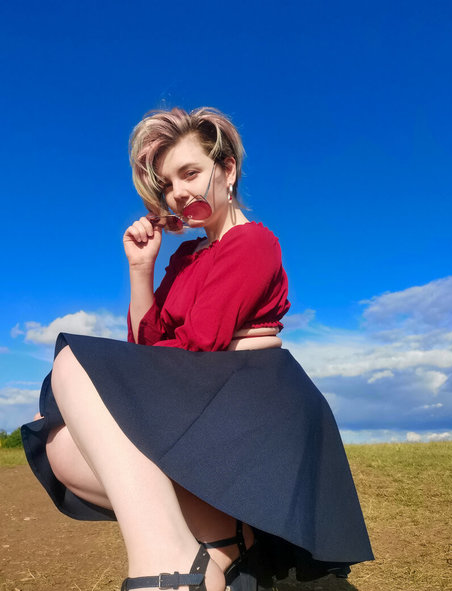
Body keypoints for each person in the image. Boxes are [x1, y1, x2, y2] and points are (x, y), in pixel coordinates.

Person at [21, 107, 373, 591]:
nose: (178, 193)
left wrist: (119, 372)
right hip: (207, 386)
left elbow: (200, 340)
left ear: (227, 170)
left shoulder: (253, 242)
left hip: (254, 399)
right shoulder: (187, 255)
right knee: (60, 447)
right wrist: (141, 268)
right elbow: (146, 346)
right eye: (168, 184)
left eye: (190, 173)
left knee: (74, 360)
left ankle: (171, 562)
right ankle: (223, 543)